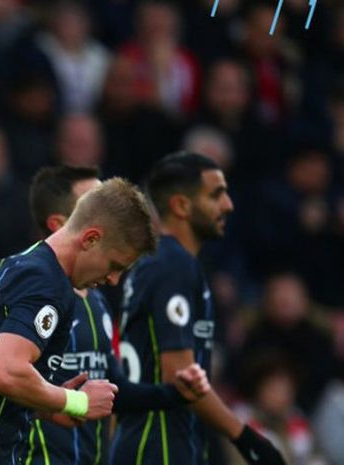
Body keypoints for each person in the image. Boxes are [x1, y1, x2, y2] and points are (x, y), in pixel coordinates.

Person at [0, 177, 157, 465]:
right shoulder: (47, 282)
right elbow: (4, 373)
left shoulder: (7, 268)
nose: (113, 279)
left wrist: (48, 405)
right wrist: (78, 401)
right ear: (91, 238)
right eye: (115, 265)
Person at [23, 165, 210, 465]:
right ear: (60, 223)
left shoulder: (96, 299)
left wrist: (173, 393)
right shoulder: (29, 289)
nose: (107, 208)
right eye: (93, 201)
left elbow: (115, 389)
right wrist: (68, 402)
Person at [110, 153, 286, 465]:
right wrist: (244, 436)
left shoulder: (157, 263)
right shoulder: (173, 266)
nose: (228, 205)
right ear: (181, 205)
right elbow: (180, 374)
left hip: (152, 440)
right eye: (216, 195)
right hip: (160, 445)